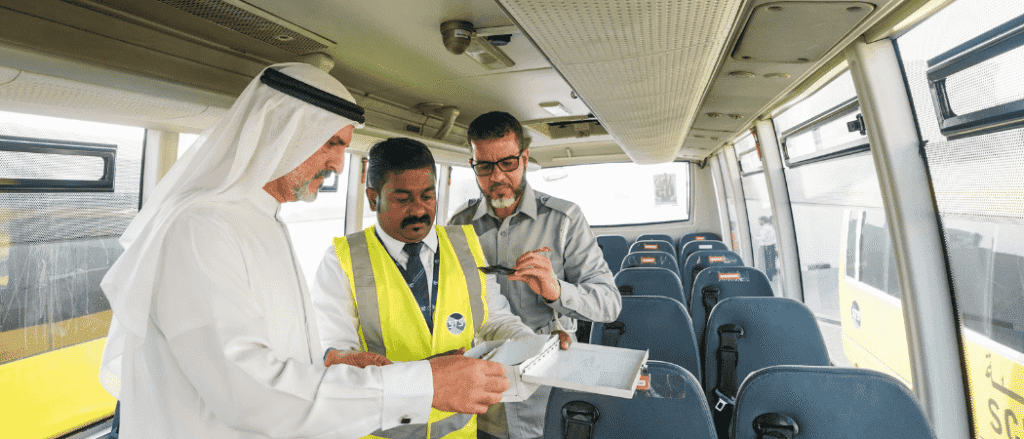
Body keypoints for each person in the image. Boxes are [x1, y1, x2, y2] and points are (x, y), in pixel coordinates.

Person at [97, 62, 509, 438]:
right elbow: (247, 392)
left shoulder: (264, 221)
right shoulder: (201, 228)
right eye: (330, 143)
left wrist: (327, 362)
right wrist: (424, 385)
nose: (338, 165)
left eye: (343, 148)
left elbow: (271, 349)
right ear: (281, 133)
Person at [311, 137, 567, 439]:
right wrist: (423, 377)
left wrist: (537, 346)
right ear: (372, 198)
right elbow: (338, 358)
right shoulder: (342, 260)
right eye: (403, 199)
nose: (419, 210)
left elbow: (494, 321)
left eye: (428, 196)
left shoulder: (466, 246)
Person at [449, 111, 621, 439]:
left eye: (508, 163)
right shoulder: (458, 225)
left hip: (547, 390)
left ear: (525, 159)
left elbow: (608, 303)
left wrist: (557, 290)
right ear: (473, 164)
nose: (497, 176)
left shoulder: (564, 220)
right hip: (484, 389)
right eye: (484, 166)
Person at [757, 216, 778, 281]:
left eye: (759, 221)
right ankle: (771, 276)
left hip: (768, 246)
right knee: (771, 262)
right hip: (771, 246)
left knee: (768, 263)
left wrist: (754, 238)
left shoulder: (765, 228)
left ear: (763, 221)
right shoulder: (769, 227)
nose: (759, 222)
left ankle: (769, 277)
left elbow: (763, 238)